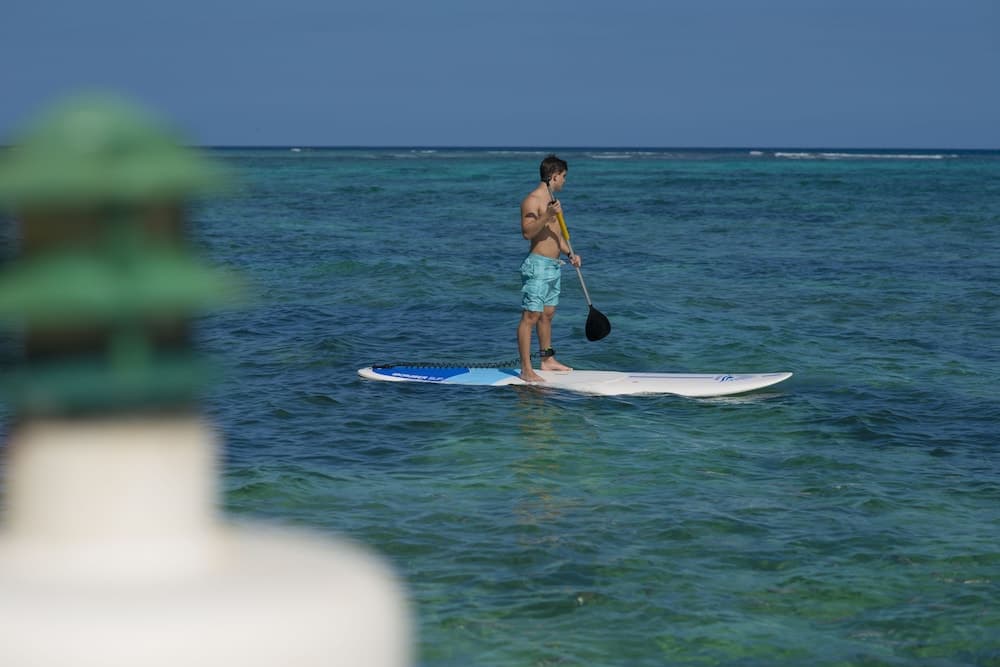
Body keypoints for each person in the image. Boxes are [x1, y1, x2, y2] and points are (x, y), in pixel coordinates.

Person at [517, 154, 582, 382]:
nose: (565, 180)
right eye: (563, 176)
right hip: (537, 265)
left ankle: (547, 360)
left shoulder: (554, 201)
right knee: (531, 316)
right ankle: (526, 369)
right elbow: (527, 233)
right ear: (554, 176)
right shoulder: (532, 200)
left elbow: (556, 235)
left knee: (547, 314)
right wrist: (547, 215)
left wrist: (570, 253)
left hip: (554, 266)